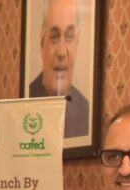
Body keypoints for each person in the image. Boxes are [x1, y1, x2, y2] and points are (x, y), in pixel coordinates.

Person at [27, 0, 90, 139]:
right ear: (42, 41)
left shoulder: (85, 109)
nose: (61, 52)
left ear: (77, 41)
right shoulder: (25, 104)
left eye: (69, 36)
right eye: (54, 37)